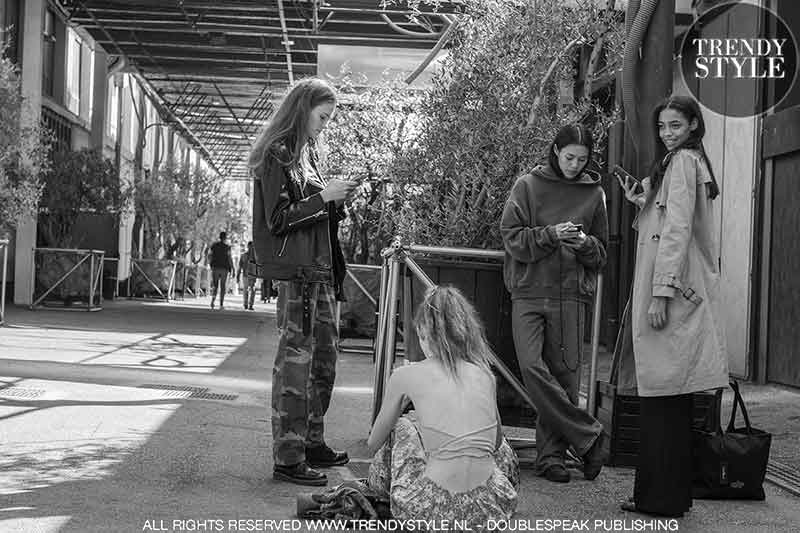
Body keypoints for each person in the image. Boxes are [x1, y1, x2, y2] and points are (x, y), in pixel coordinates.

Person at [616, 95, 728, 518]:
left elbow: (677, 230)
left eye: (675, 126)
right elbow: (669, 219)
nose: (667, 133)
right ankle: (667, 497)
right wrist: (640, 200)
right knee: (671, 400)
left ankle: (658, 499)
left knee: (662, 400)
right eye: (662, 126)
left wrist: (660, 292)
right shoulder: (687, 162)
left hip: (671, 292)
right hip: (680, 289)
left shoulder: (681, 162)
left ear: (693, 125)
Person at [249, 77, 359, 486]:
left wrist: (332, 202)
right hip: (299, 278)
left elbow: (309, 213)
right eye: (323, 116)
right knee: (296, 368)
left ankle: (311, 441)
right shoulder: (279, 154)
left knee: (323, 366)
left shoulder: (305, 154)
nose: (325, 125)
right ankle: (289, 457)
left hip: (321, 274)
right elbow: (277, 220)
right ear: (302, 108)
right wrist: (323, 199)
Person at [500, 124, 609, 484]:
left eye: (582, 159)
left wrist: (583, 245)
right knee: (532, 367)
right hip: (529, 292)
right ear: (555, 151)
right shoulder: (526, 186)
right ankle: (589, 435)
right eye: (569, 157)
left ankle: (552, 459)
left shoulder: (594, 194)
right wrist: (550, 235)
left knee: (564, 377)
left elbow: (602, 253)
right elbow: (511, 238)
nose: (575, 165)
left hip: (571, 295)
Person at [366, 285, 519, 526]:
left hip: (427, 510)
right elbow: (497, 443)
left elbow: (373, 443)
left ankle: (387, 495)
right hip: (490, 509)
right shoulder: (484, 374)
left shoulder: (405, 375)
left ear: (424, 332)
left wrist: (407, 413)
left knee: (403, 427)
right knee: (502, 448)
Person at [208, 231, 234, 310]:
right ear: (225, 238)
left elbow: (210, 255)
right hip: (224, 268)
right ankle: (221, 304)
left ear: (219, 237)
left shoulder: (214, 246)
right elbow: (229, 258)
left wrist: (210, 264)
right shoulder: (227, 247)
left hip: (215, 267)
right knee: (223, 286)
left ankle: (213, 301)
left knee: (215, 285)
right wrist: (233, 268)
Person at [237, 241, 258, 310]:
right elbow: (240, 266)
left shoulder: (256, 256)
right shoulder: (243, 255)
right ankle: (245, 304)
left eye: (252, 246)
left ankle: (251, 305)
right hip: (245, 274)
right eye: (250, 246)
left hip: (253, 275)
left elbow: (258, 266)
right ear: (248, 247)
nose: (251, 248)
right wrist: (238, 275)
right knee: (245, 289)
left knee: (253, 289)